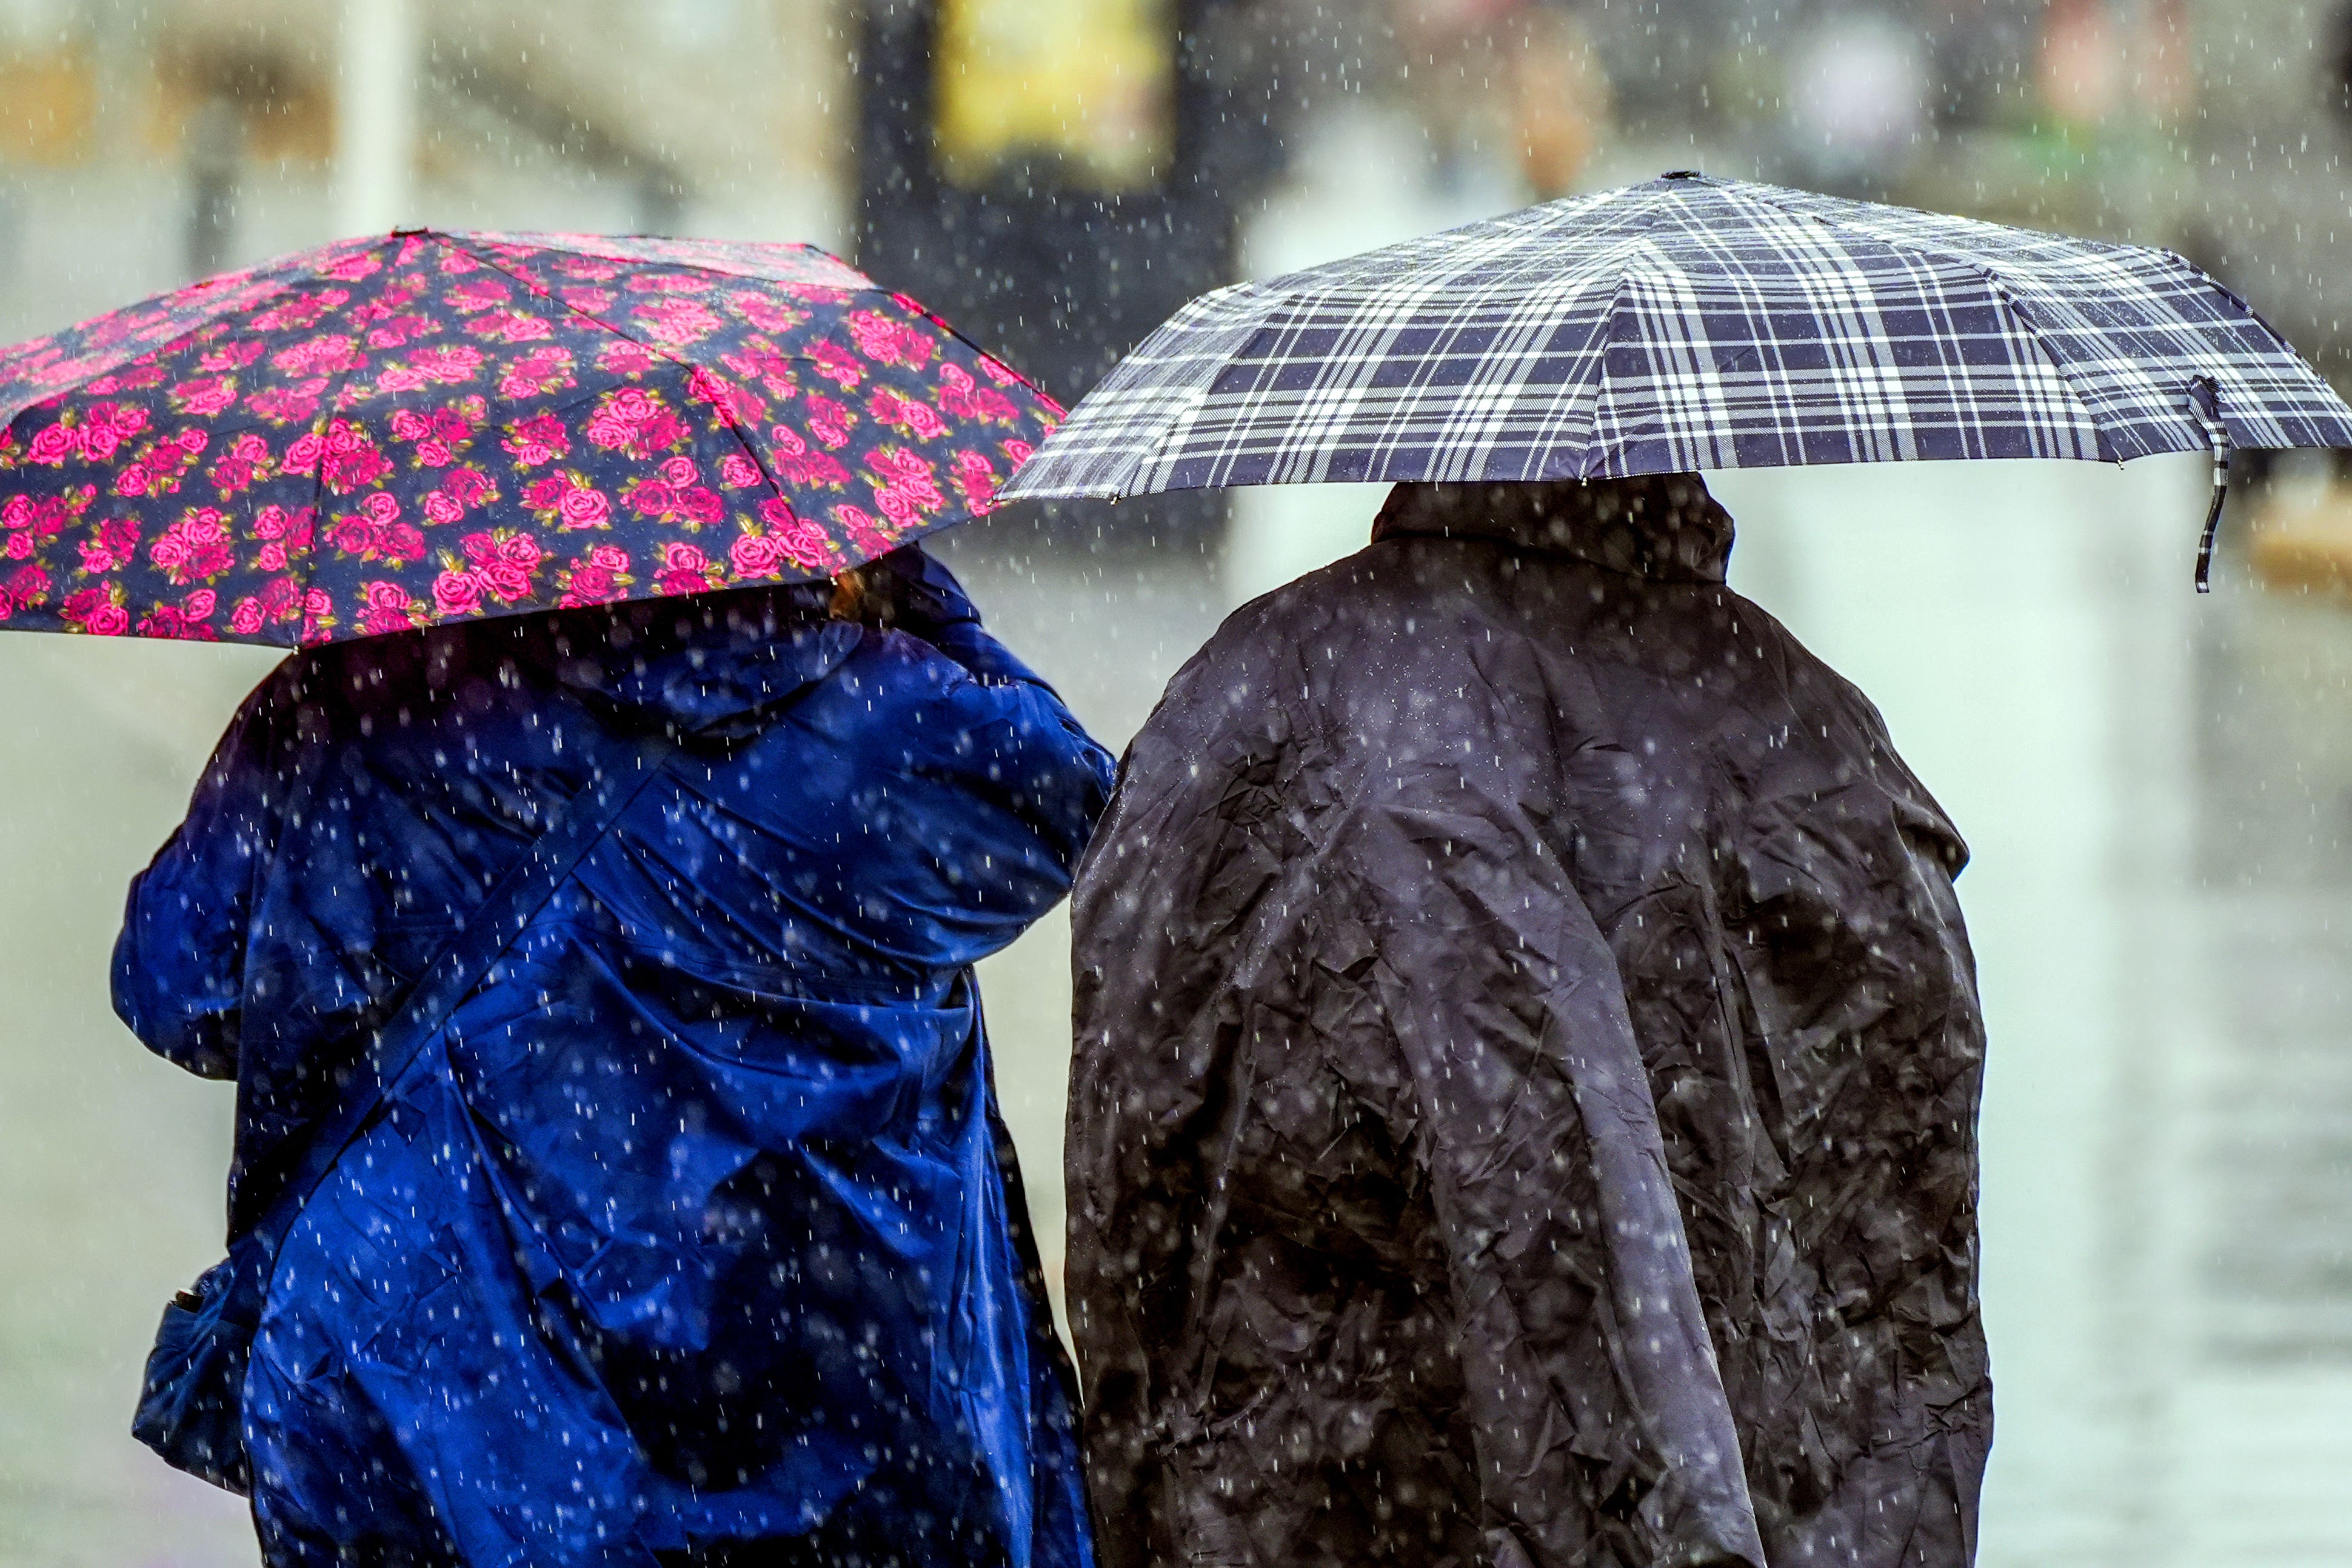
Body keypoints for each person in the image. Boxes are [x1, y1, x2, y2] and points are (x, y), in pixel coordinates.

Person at [115, 548, 1111, 1568]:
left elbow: (179, 992)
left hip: (412, 1390)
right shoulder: (893, 721)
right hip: (821, 1406)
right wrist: (916, 593)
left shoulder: (360, 692)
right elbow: (1075, 803)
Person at [1066, 476, 1990, 1568]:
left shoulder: (1250, 682)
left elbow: (1136, 1127)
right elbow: (1906, 1180)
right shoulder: (1810, 721)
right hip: (1739, 1445)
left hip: (1313, 1460)